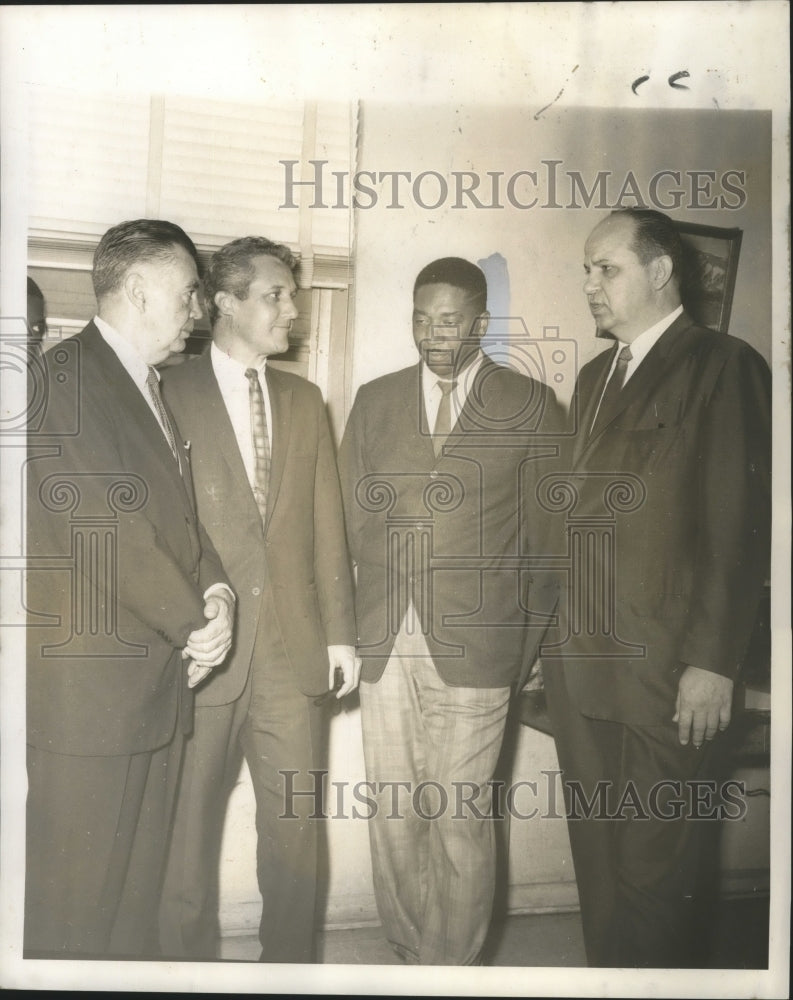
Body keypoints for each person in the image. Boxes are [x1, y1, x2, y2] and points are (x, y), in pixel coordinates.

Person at [541, 208, 771, 968]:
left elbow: (736, 528)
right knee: (600, 868)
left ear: (660, 272)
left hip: (667, 674)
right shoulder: (592, 375)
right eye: (585, 269)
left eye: (605, 268)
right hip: (582, 672)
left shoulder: (722, 364)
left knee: (655, 873)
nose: (589, 285)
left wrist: (714, 663)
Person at [338, 257, 562, 965]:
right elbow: (345, 523)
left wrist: (525, 651)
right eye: (418, 317)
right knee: (395, 817)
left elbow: (549, 543)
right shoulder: (374, 401)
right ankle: (409, 957)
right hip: (384, 639)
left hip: (479, 647)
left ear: (479, 323)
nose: (431, 332)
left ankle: (450, 973)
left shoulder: (530, 404)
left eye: (447, 319)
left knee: (458, 817)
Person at [25, 219, 235, 958]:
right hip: (92, 705)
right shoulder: (65, 378)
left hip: (149, 696)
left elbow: (180, 519)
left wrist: (218, 595)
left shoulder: (145, 385)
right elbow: (105, 529)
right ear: (139, 291)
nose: (197, 312)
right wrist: (193, 621)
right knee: (74, 915)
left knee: (131, 915)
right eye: (186, 295)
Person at [159, 236, 358, 963]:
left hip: (291, 660)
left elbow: (325, 524)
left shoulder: (305, 401)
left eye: (293, 294)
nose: (293, 309)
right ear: (224, 302)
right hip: (199, 660)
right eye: (275, 294)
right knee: (184, 849)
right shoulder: (166, 392)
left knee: (296, 843)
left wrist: (341, 635)